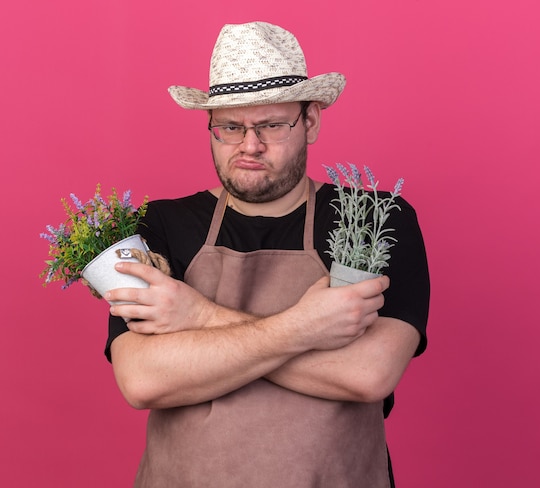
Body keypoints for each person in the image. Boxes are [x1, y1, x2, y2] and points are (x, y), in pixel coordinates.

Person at [103, 21, 430, 488]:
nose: (249, 145)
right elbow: (142, 379)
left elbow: (368, 373)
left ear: (310, 121)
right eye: (230, 127)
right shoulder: (160, 225)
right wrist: (305, 327)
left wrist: (198, 316)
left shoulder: (373, 221)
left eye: (272, 125)